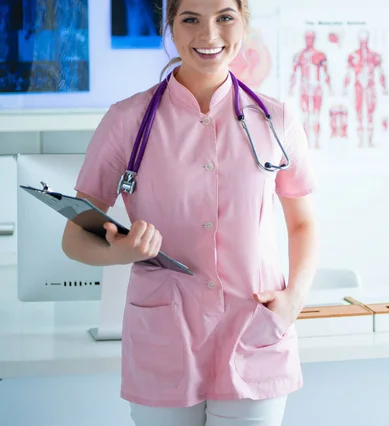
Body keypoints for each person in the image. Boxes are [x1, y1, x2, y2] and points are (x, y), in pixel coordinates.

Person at [61, 0, 319, 425]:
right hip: (165, 337)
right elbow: (75, 238)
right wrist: (121, 252)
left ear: (244, 23)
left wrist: (295, 298)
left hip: (253, 329)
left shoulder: (277, 119)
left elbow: (303, 222)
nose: (209, 35)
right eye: (191, 20)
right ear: (172, 28)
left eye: (225, 17)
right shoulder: (127, 120)